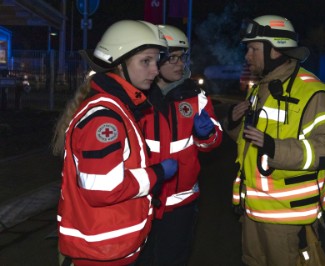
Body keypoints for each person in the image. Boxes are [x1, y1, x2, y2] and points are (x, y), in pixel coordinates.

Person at [51, 20, 178, 266]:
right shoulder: (104, 119)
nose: (155, 70)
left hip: (111, 246)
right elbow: (104, 189)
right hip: (102, 253)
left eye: (156, 61)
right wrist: (157, 173)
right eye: (146, 61)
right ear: (119, 64)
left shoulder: (119, 107)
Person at [224, 15, 325, 266]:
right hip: (252, 210)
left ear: (275, 50)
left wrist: (275, 148)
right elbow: (250, 142)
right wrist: (234, 124)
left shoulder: (313, 91)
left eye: (253, 49)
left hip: (287, 216)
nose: (247, 56)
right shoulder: (260, 88)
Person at [135, 25, 223, 266]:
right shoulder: (135, 97)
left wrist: (207, 136)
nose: (179, 64)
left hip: (180, 206)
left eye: (182, 57)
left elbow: (213, 143)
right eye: (171, 58)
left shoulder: (196, 96)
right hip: (140, 200)